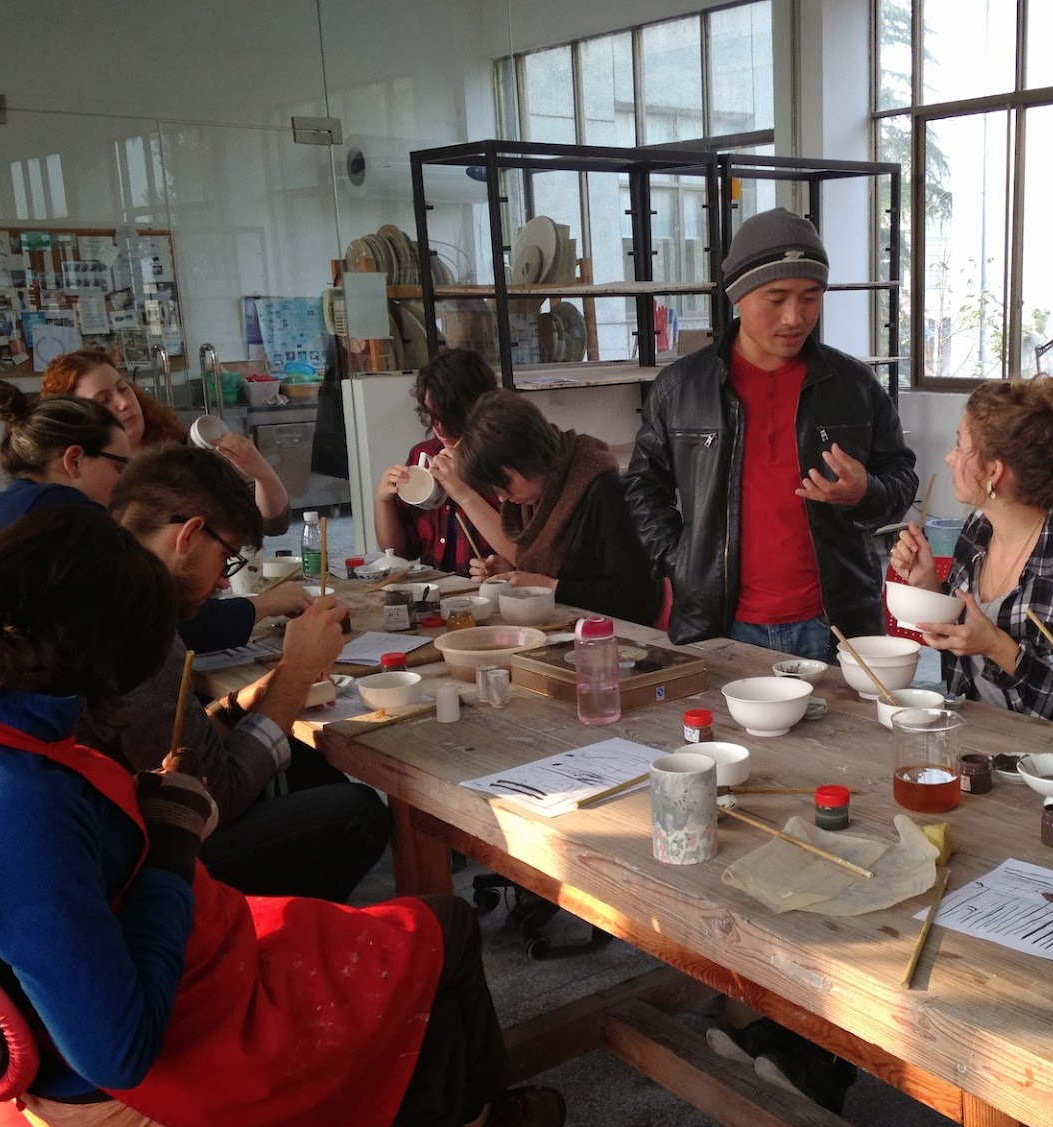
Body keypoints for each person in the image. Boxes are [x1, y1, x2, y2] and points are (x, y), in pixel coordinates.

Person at [0, 505, 564, 1127]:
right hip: (129, 1082)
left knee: (434, 939)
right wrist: (171, 843)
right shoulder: (10, 808)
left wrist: (144, 805)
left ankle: (469, 1124)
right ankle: (463, 1125)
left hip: (143, 966)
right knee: (426, 985)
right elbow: (118, 1051)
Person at [77, 444, 389, 903]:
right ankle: (245, 937)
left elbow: (177, 743)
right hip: (136, 865)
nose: (225, 581)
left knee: (301, 754)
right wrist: (295, 671)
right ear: (189, 534)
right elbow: (213, 795)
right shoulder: (135, 627)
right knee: (357, 813)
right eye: (225, 559)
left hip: (123, 814)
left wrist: (241, 703)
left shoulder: (108, 583)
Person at [625, 207, 917, 657]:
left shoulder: (855, 386)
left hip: (835, 623)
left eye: (811, 297)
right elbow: (642, 488)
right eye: (776, 298)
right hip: (720, 624)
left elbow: (901, 476)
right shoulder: (681, 390)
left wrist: (866, 493)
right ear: (738, 296)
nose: (794, 318)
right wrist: (682, 560)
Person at [889, 375, 1053, 726]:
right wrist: (927, 584)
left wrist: (998, 647)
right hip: (968, 736)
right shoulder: (978, 530)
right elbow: (958, 639)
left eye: (959, 446)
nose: (949, 457)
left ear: (994, 471)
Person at [42, 347, 306, 653]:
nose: (124, 403)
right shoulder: (77, 515)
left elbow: (265, 523)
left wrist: (259, 470)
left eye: (123, 388)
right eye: (104, 401)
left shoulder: (176, 450)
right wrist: (263, 607)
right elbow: (161, 619)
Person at [455, 390, 660, 625]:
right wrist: (512, 574)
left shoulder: (602, 490)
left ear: (528, 456)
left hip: (615, 636)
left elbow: (638, 599)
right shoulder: (535, 497)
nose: (502, 498)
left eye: (505, 482)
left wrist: (549, 586)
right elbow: (558, 568)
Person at [0, 383, 128, 583]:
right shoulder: (64, 508)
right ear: (74, 461)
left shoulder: (15, 503)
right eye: (120, 468)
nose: (128, 482)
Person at [374, 347, 502, 573]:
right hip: (434, 587)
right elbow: (399, 552)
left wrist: (462, 490)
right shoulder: (423, 455)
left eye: (449, 417)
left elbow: (524, 551)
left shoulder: (501, 460)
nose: (440, 429)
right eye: (433, 417)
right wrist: (383, 501)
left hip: (487, 586)